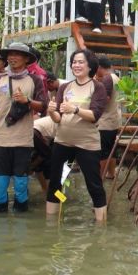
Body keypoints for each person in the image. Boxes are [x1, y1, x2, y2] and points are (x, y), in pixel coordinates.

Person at [0, 42, 47, 213]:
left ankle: (21, 224)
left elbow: (43, 106)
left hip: (23, 141)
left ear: (27, 59)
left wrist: (27, 101)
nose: (12, 57)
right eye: (10, 54)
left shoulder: (35, 80)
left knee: (21, 184)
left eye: (17, 54)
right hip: (0, 139)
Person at [46, 49, 108, 221]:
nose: (76, 65)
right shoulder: (65, 87)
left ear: (90, 66)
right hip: (63, 141)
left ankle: (101, 225)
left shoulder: (98, 87)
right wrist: (51, 111)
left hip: (87, 143)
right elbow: (58, 117)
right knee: (55, 182)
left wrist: (75, 109)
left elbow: (95, 116)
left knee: (94, 185)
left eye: (81, 62)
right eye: (74, 62)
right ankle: (51, 223)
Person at [94, 55, 121, 180]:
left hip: (106, 121)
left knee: (103, 151)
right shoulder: (116, 78)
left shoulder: (107, 78)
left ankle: (101, 176)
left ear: (99, 67)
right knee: (111, 149)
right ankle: (111, 174)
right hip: (114, 119)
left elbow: (105, 99)